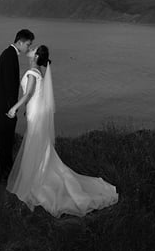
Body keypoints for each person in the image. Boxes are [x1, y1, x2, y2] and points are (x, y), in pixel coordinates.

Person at [6, 45, 118, 217]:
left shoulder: (32, 73)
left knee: (34, 143)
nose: (30, 50)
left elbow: (28, 95)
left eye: (33, 49)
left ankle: (37, 178)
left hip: (35, 113)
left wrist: (14, 108)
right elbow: (37, 96)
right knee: (38, 144)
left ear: (36, 56)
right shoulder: (40, 73)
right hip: (36, 112)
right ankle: (38, 172)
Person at [0, 29, 34, 181]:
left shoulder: (9, 54)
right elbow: (8, 86)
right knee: (6, 140)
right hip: (5, 105)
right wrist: (12, 109)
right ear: (20, 42)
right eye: (28, 44)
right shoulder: (9, 56)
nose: (29, 47)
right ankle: (7, 174)